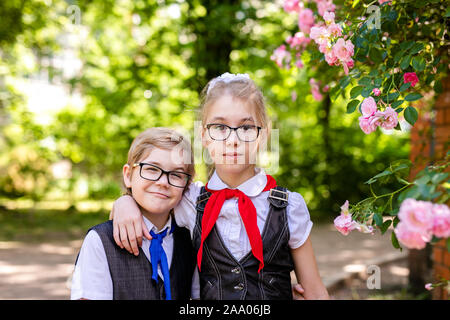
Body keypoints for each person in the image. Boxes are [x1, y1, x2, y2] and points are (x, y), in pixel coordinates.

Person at [111, 73, 329, 300]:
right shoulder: (190, 200)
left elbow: (314, 291)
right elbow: (151, 197)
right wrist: (124, 202)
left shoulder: (288, 207)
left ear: (262, 135)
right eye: (220, 127)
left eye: (245, 128)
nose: (232, 140)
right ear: (204, 136)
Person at [71, 127, 197, 300]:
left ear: (187, 185)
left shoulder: (189, 241)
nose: (162, 182)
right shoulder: (100, 241)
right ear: (128, 175)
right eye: (152, 169)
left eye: (176, 174)